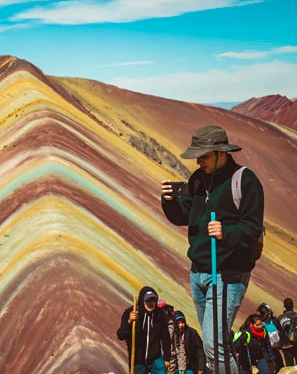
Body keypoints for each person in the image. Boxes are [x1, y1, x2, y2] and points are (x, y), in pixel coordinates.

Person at [160, 126, 265, 374]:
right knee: (220, 343)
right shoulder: (198, 179)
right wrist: (169, 202)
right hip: (198, 273)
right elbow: (183, 215)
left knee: (213, 344)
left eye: (204, 155)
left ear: (221, 153)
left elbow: (251, 228)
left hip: (227, 274)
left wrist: (226, 231)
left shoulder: (245, 181)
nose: (199, 161)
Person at [117, 286, 171, 373]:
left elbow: (165, 337)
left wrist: (167, 359)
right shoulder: (131, 312)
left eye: (153, 300)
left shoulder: (160, 314)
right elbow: (120, 335)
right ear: (142, 301)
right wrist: (129, 321)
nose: (151, 303)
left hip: (155, 358)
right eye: (148, 301)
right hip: (137, 360)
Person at [257, 302, 286, 372]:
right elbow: (282, 333)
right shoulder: (273, 321)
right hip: (271, 351)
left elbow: (281, 333)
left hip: (268, 352)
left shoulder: (258, 324)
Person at [278, 298, 297, 367]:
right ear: (293, 305)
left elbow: (279, 332)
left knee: (290, 367)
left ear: (284, 306)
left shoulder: (281, 318)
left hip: (287, 346)